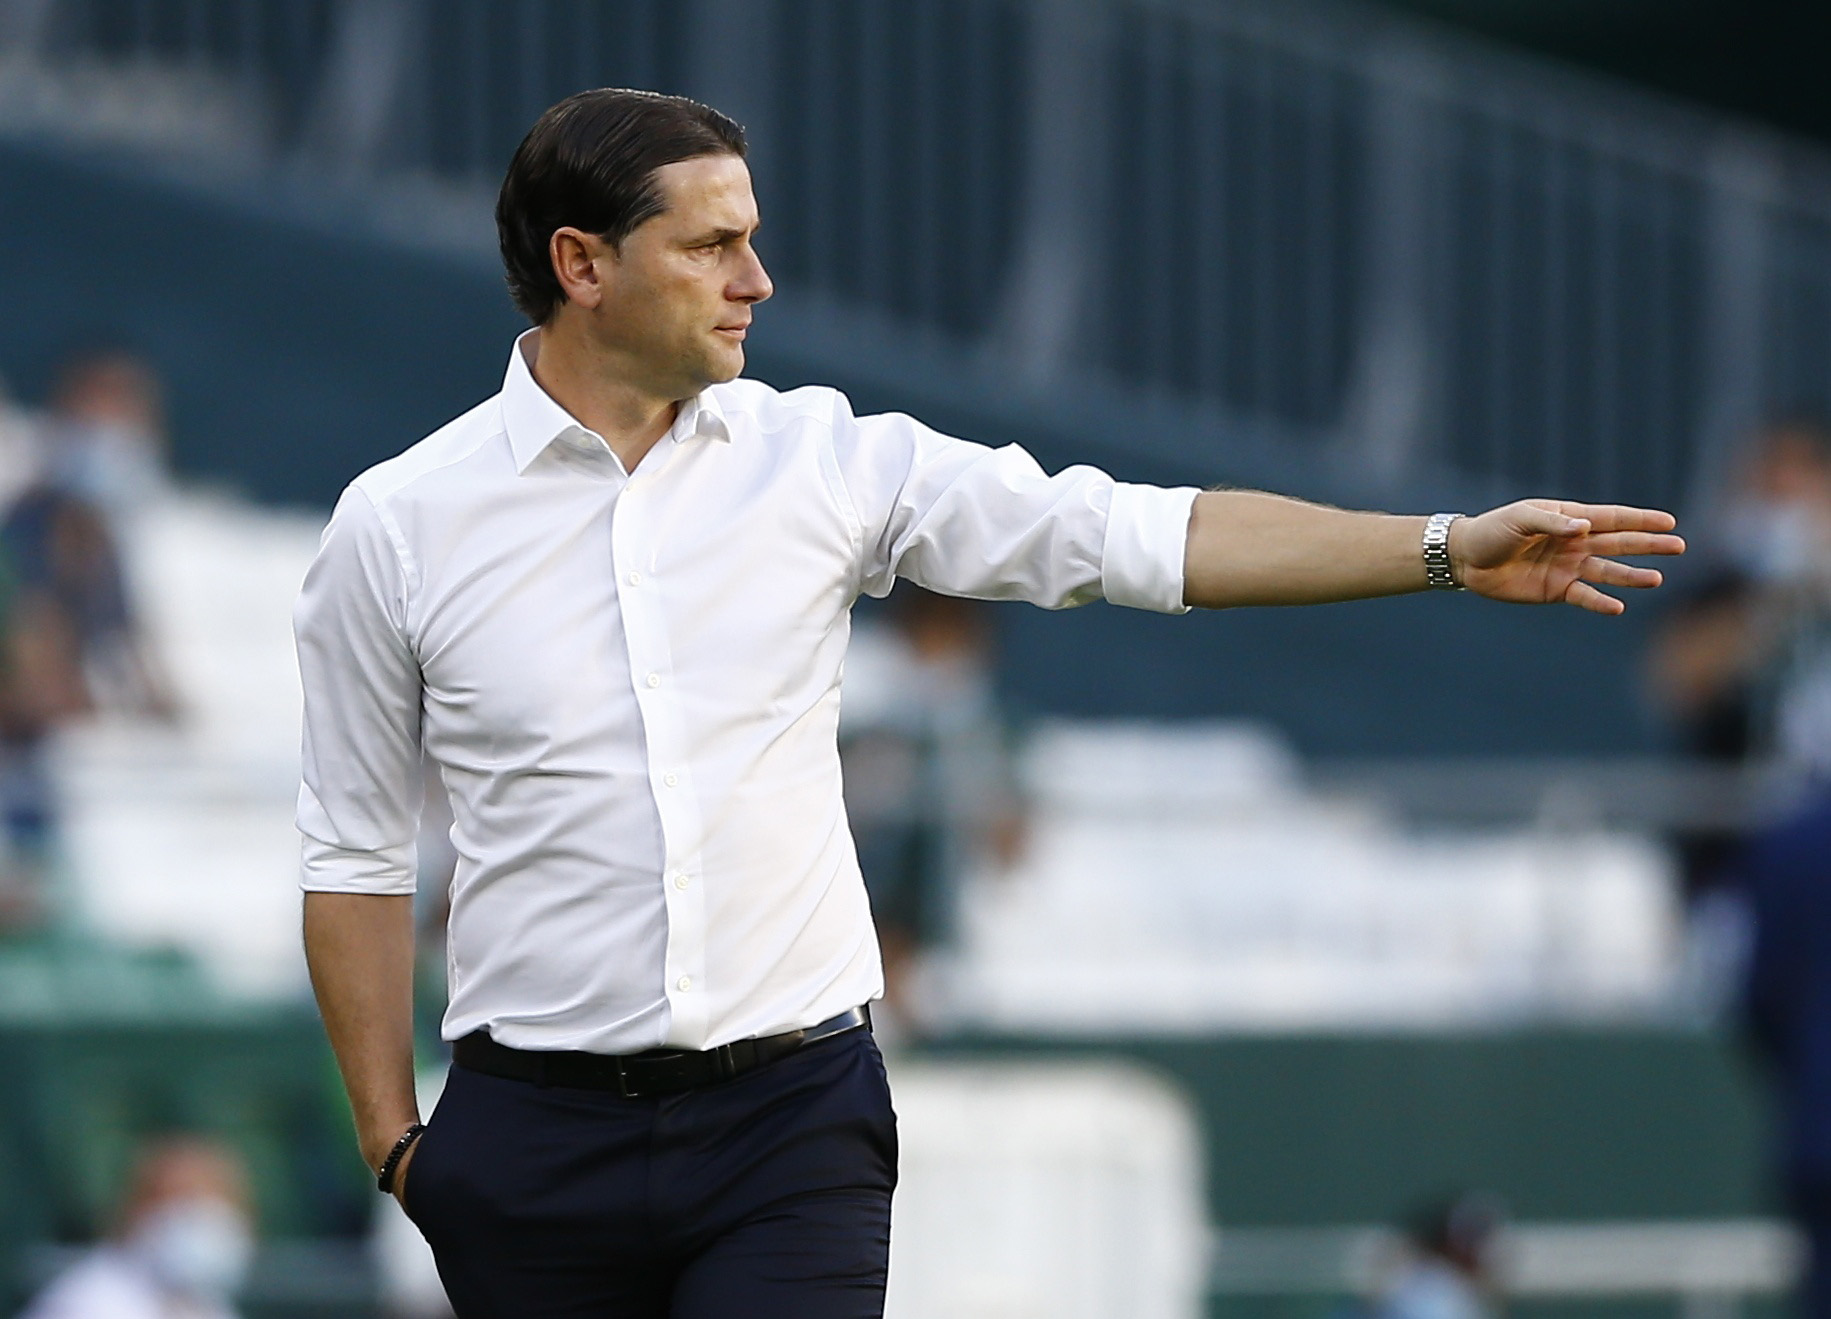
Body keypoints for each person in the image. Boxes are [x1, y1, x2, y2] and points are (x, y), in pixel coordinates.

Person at [293, 88, 1684, 1319]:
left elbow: (1138, 537)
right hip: (531, 1139)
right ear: (580, 264)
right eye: (711, 244)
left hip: (788, 1122)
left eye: (751, 237)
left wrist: (1438, 546)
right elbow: (351, 855)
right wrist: (396, 1142)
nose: (756, 280)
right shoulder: (399, 525)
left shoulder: (826, 461)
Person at [19, 1135, 255, 1319]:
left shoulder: (209, 1306)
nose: (205, 1218)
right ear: (136, 1208)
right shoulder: (88, 1303)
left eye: (218, 1201)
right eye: (184, 1199)